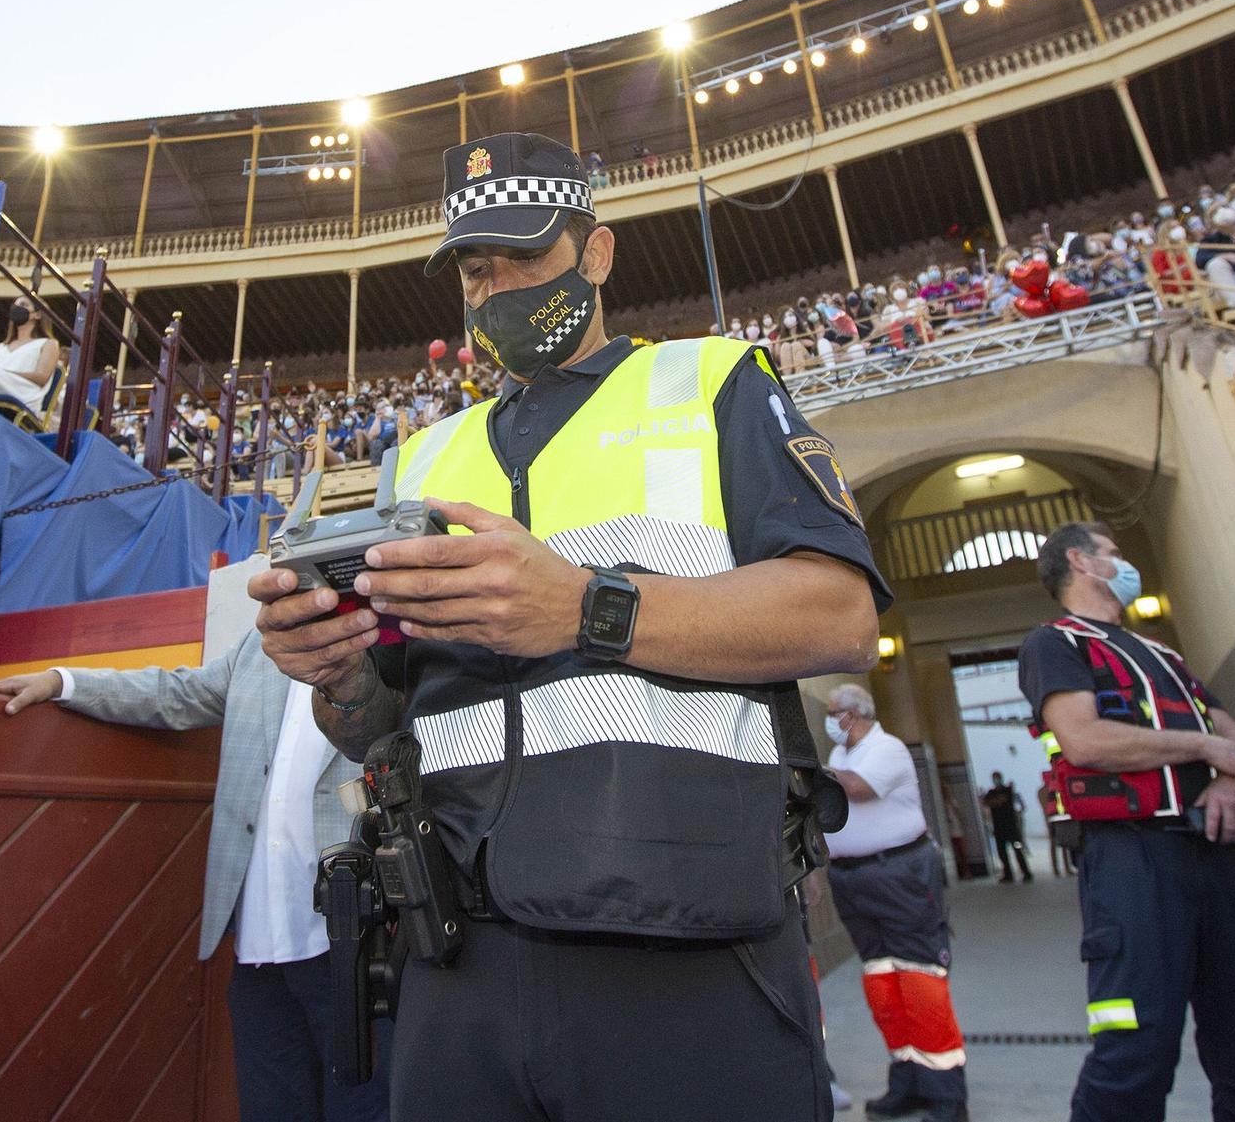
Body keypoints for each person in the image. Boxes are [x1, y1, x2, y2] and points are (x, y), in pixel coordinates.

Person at [247, 131, 889, 1122]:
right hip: (453, 958)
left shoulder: (710, 383)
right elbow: (384, 722)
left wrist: (582, 608)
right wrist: (332, 674)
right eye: (473, 266)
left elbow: (840, 617)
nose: (494, 286)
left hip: (686, 947)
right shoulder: (417, 459)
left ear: (595, 253)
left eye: (522, 256)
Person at [0, 631, 391, 1122]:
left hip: (355, 945)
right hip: (260, 949)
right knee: (270, 1107)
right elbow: (175, 694)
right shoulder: (259, 648)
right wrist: (61, 682)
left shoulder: (386, 643)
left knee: (367, 1109)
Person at [1017, 522, 1235, 1122]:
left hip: (1215, 854)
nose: (1124, 563)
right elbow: (1085, 740)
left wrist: (1229, 776)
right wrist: (1207, 750)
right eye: (1113, 554)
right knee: (1136, 1046)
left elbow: (1232, 736)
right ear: (1081, 562)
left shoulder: (1166, 655)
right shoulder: (1055, 644)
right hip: (1132, 859)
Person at [822, 683, 969, 1122]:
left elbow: (857, 790)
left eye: (834, 713)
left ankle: (946, 1095)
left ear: (853, 714)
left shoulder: (884, 749)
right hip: (855, 879)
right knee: (883, 984)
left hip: (900, 874)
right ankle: (907, 1078)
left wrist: (809, 772)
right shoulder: (841, 755)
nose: (831, 721)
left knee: (920, 978)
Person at [0, 298, 61, 409]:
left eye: (23, 304)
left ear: (37, 315)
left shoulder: (48, 343)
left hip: (24, 392)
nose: (16, 308)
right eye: (14, 305)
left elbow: (42, 377)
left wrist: (1, 371)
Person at [980, 770, 1032, 883]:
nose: (996, 780)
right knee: (1002, 853)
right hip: (999, 829)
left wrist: (995, 801)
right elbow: (986, 803)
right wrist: (996, 801)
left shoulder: (1007, 790)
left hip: (1011, 827)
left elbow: (998, 801)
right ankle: (1008, 874)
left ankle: (1026, 872)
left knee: (1018, 850)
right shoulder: (991, 792)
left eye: (997, 777)